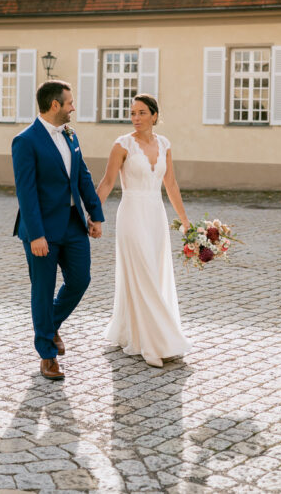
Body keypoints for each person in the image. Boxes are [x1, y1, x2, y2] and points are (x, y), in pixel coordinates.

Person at [12, 80, 105, 380]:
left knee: (80, 279)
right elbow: (25, 192)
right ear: (55, 105)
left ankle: (49, 326)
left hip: (72, 223)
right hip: (41, 229)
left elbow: (82, 175)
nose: (73, 108)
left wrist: (95, 214)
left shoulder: (70, 134)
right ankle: (47, 355)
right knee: (43, 289)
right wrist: (36, 234)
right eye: (69, 103)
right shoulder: (25, 141)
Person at [96, 94, 192, 367]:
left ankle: (135, 332)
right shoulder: (122, 145)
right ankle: (155, 342)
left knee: (155, 271)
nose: (135, 118)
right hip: (132, 214)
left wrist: (186, 222)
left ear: (154, 115)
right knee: (143, 274)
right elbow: (107, 182)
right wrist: (91, 214)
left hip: (155, 214)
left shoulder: (164, 144)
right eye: (132, 113)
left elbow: (171, 185)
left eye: (141, 113)